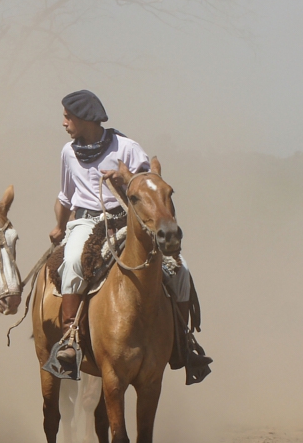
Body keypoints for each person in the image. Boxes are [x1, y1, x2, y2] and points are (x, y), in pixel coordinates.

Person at [49, 90, 195, 374]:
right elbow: (66, 197)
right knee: (75, 260)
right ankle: (69, 339)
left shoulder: (127, 148)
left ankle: (183, 342)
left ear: (85, 119)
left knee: (180, 269)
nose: (64, 123)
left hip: (125, 220)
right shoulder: (68, 153)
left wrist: (125, 180)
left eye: (68, 117)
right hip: (86, 222)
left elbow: (148, 187)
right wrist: (59, 225)